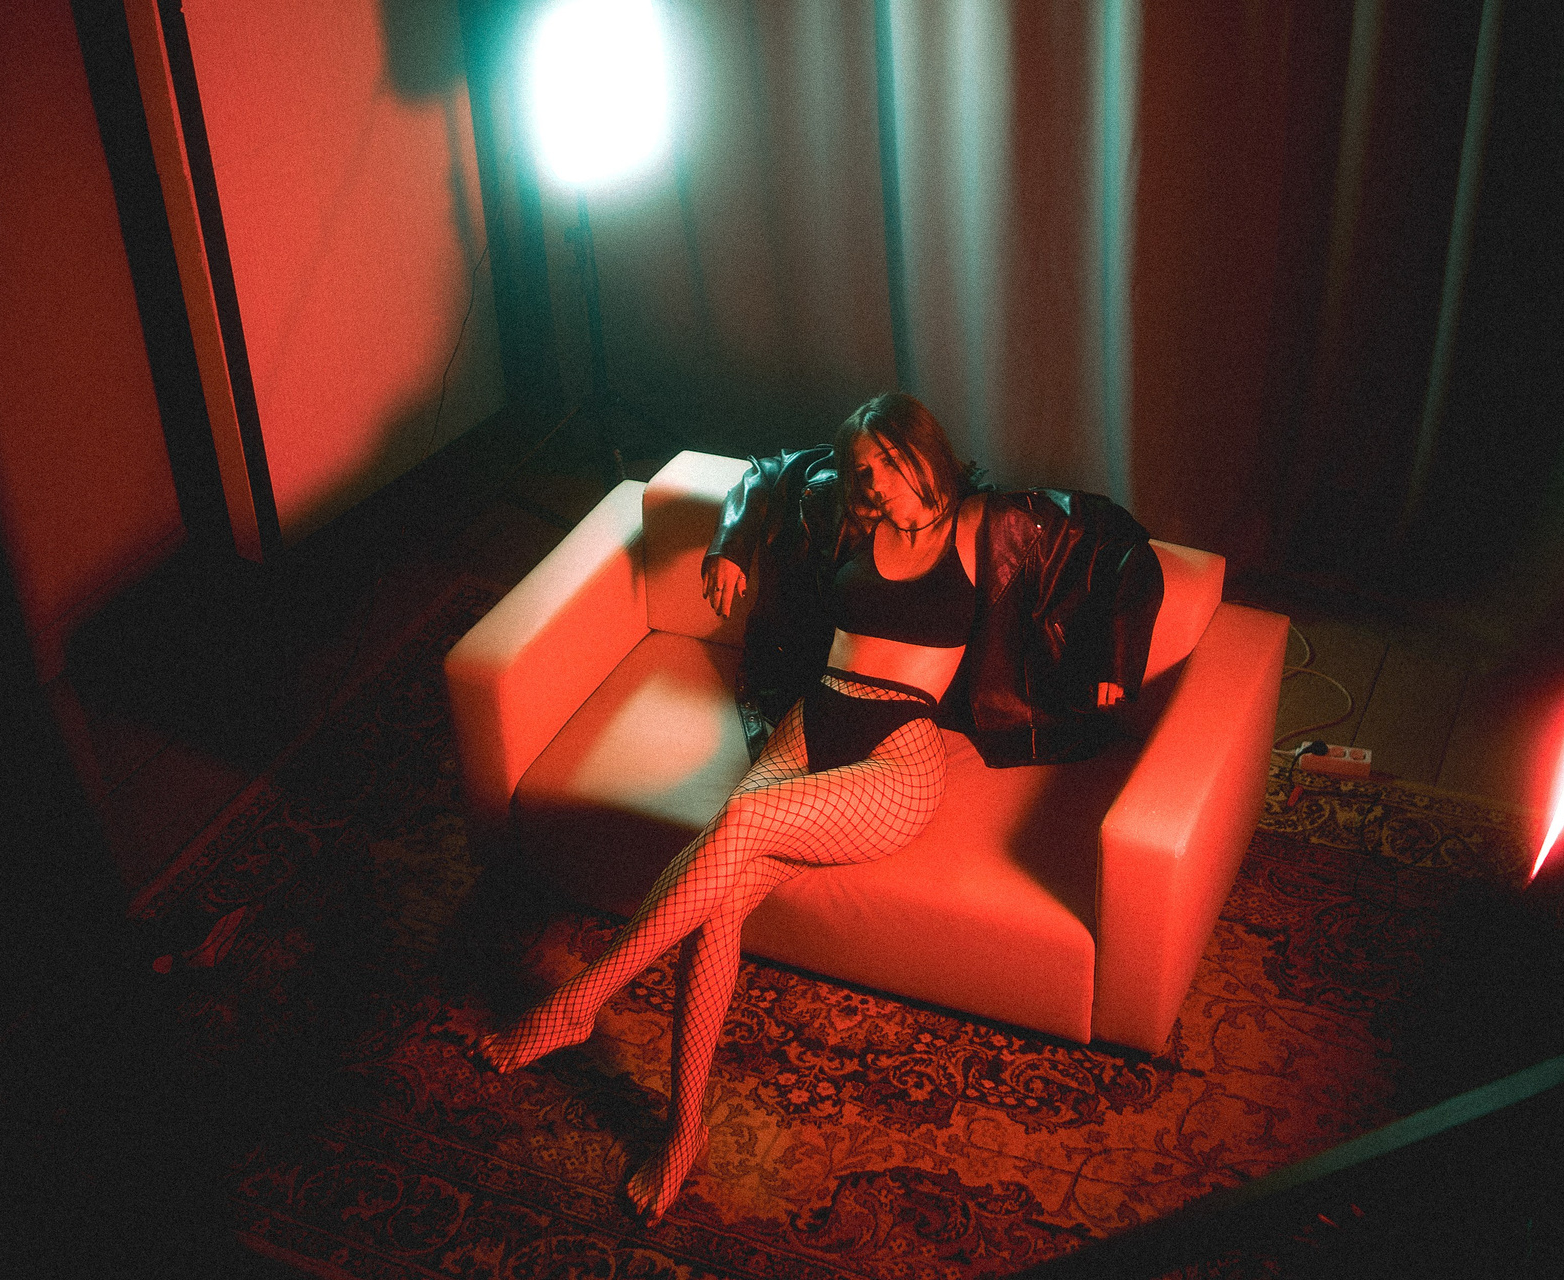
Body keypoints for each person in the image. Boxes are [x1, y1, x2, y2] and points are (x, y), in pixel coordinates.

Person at [477, 392, 1162, 1223]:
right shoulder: (844, 508)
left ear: (924, 451)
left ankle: (580, 1002)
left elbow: (1121, 546)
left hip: (894, 762)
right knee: (722, 902)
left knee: (738, 821)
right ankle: (684, 1130)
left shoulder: (991, 523)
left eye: (887, 464)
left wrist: (1117, 657)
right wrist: (731, 544)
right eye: (862, 470)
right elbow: (766, 473)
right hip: (807, 727)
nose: (873, 483)